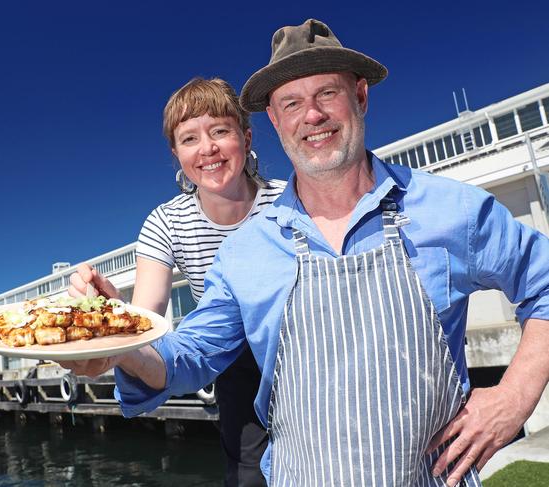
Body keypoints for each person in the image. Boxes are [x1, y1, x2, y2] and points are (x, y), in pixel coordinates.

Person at [69, 19, 549, 487]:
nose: (312, 116)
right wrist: (119, 342)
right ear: (274, 120)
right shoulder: (246, 252)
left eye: (326, 94)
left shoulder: (451, 209)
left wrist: (514, 396)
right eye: (291, 103)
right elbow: (185, 356)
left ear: (360, 96)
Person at [65, 78, 286, 487]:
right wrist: (115, 325)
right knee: (248, 473)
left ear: (247, 136)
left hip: (297, 349)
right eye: (189, 138)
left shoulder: (289, 202)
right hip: (227, 354)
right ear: (176, 154)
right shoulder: (166, 223)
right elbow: (147, 321)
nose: (207, 149)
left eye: (220, 130)